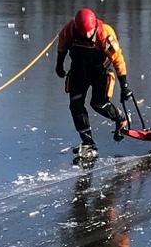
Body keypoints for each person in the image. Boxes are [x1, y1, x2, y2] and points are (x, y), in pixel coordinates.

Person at [56, 8, 132, 157]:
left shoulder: (105, 34)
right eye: (83, 33)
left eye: (89, 32)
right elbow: (62, 46)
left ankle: (120, 118)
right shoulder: (69, 30)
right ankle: (88, 143)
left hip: (100, 73)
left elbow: (118, 59)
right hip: (79, 71)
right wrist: (59, 64)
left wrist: (124, 85)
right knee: (75, 105)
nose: (86, 35)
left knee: (98, 104)